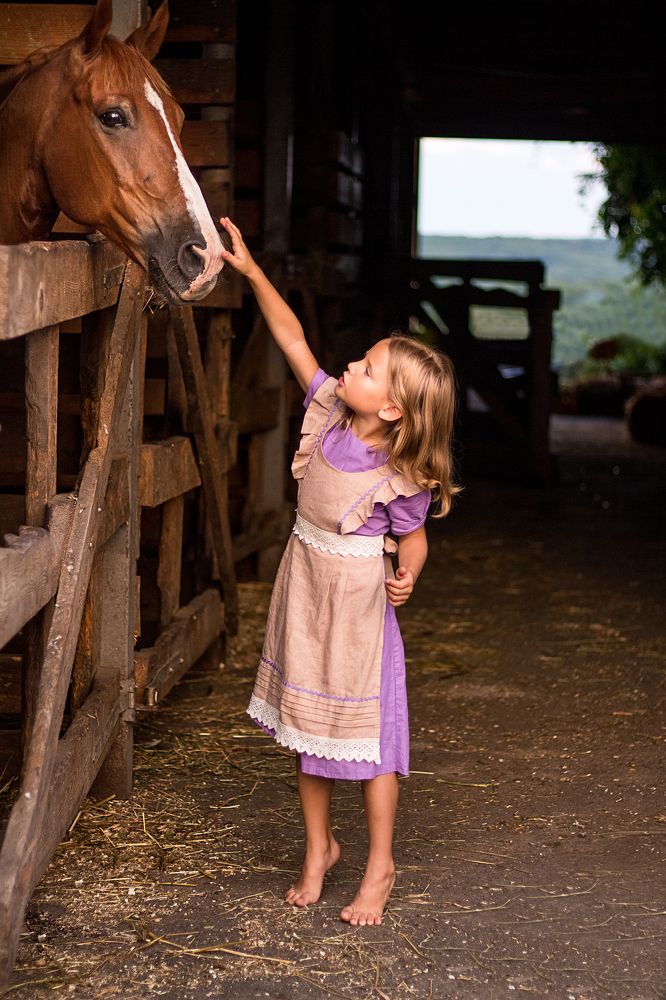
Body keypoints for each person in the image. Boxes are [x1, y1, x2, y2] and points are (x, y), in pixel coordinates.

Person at [218, 216, 462, 926]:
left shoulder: (403, 475)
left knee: (371, 747)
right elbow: (292, 337)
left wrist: (406, 576)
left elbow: (413, 543)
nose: (348, 367)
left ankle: (380, 866)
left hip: (358, 609)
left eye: (365, 366)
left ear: (390, 407)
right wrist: (255, 273)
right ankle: (318, 846)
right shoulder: (327, 412)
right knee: (308, 729)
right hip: (306, 589)